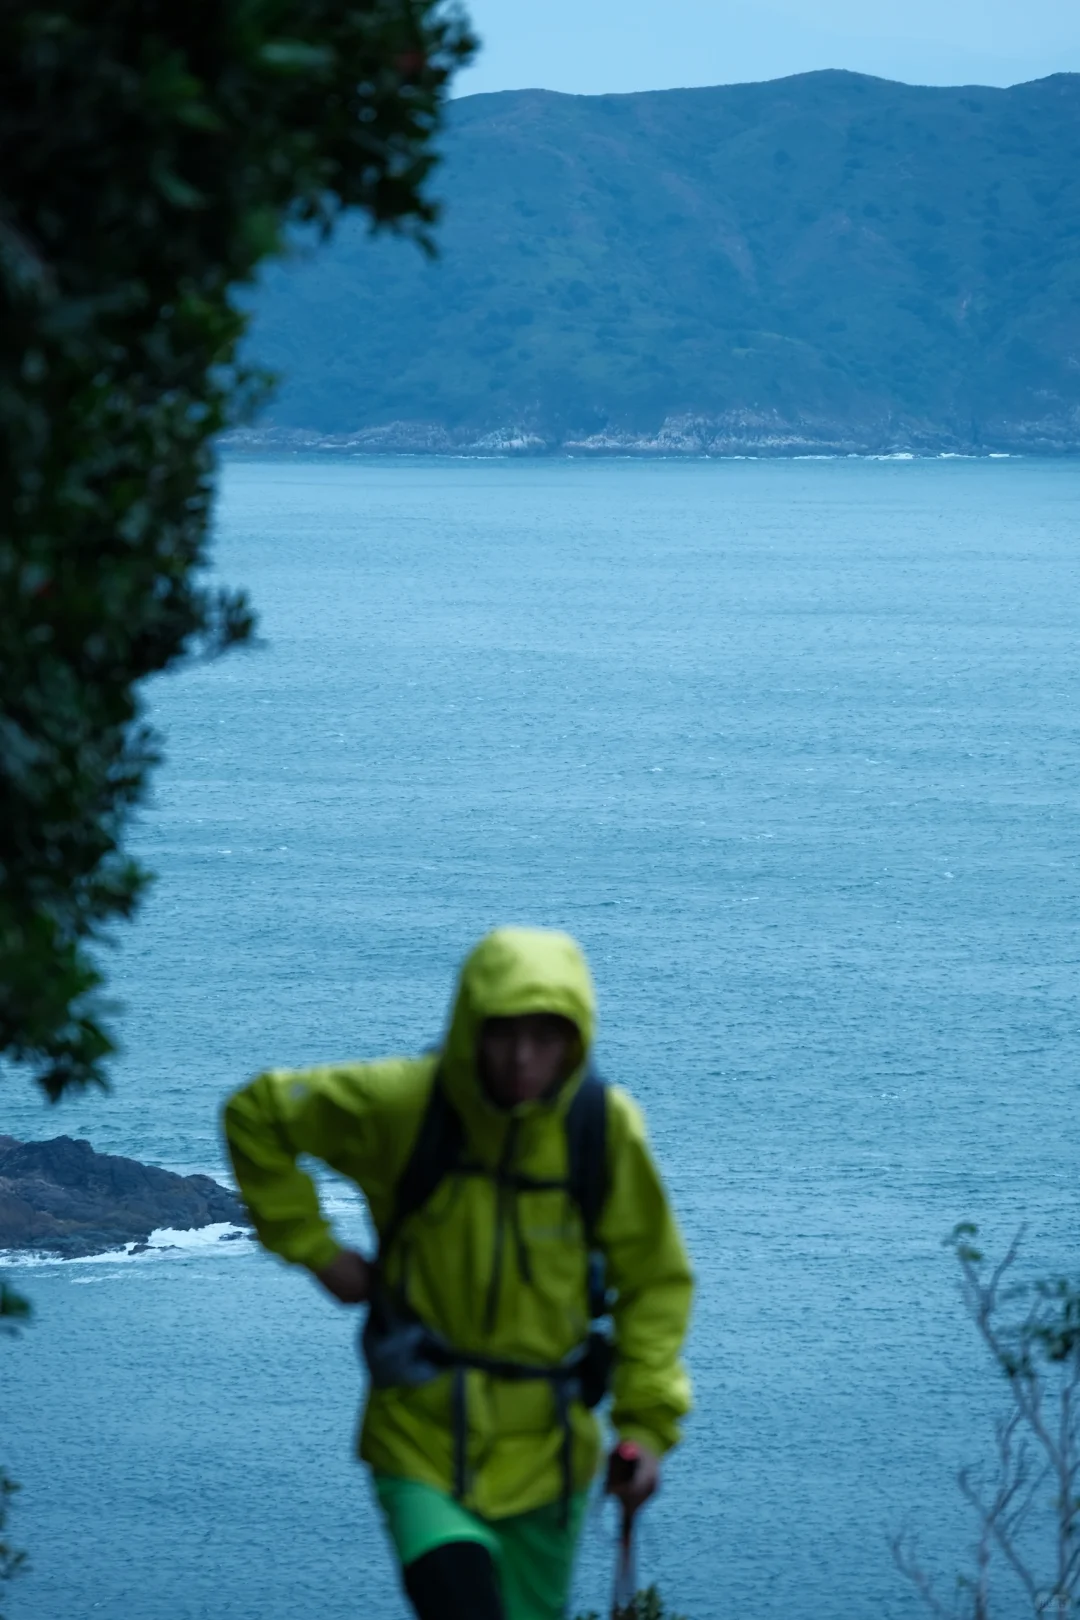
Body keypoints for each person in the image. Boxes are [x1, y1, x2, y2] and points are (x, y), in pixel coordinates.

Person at [223, 926, 693, 1620]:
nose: (523, 1058)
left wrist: (646, 1426)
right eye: (504, 1033)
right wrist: (319, 1252)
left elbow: (653, 1280)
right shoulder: (404, 1104)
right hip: (420, 1438)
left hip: (548, 1458)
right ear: (471, 1025)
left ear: (576, 1038)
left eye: (547, 1035)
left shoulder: (601, 1129)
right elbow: (258, 1114)